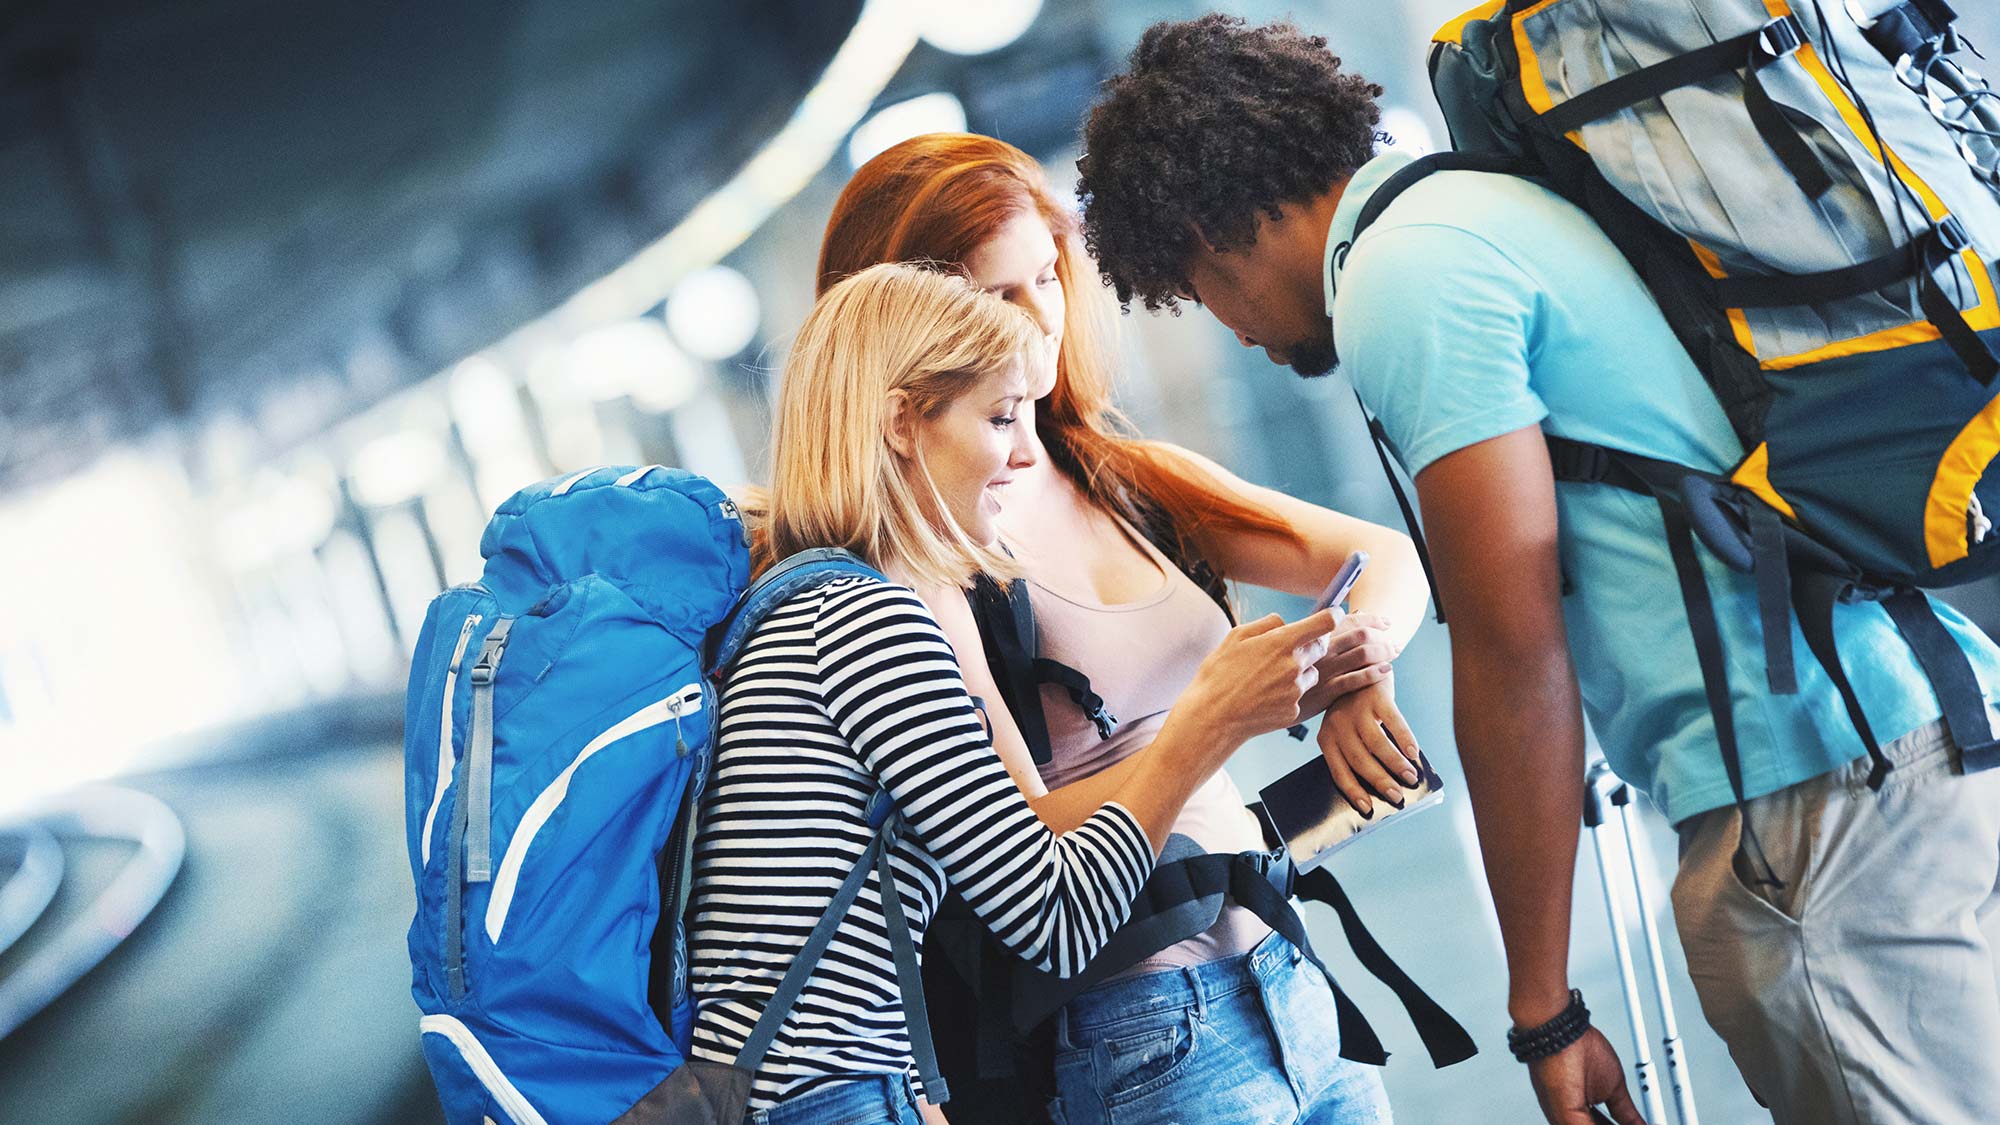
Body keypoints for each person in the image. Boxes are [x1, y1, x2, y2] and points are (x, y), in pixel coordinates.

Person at [1074, 14, 2000, 1125]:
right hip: (1896, 746)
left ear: (1201, 229)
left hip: (1817, 811)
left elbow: (1514, 654)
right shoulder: (1477, 207)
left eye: (1194, 291)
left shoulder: (1403, 280)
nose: (1229, 331)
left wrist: (1541, 1007)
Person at [817, 133, 1432, 1124]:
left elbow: (1380, 556)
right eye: (992, 298)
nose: (1037, 322)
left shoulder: (1108, 469)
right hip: (1136, 1027)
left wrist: (1363, 668)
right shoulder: (918, 549)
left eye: (1047, 278)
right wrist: (1216, 722)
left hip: (1285, 973)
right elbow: (1005, 843)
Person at [685, 262, 1341, 1125]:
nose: (1027, 452)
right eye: (999, 418)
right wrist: (1206, 722)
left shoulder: (800, 604)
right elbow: (1058, 916)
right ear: (901, 423)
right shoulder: (860, 619)